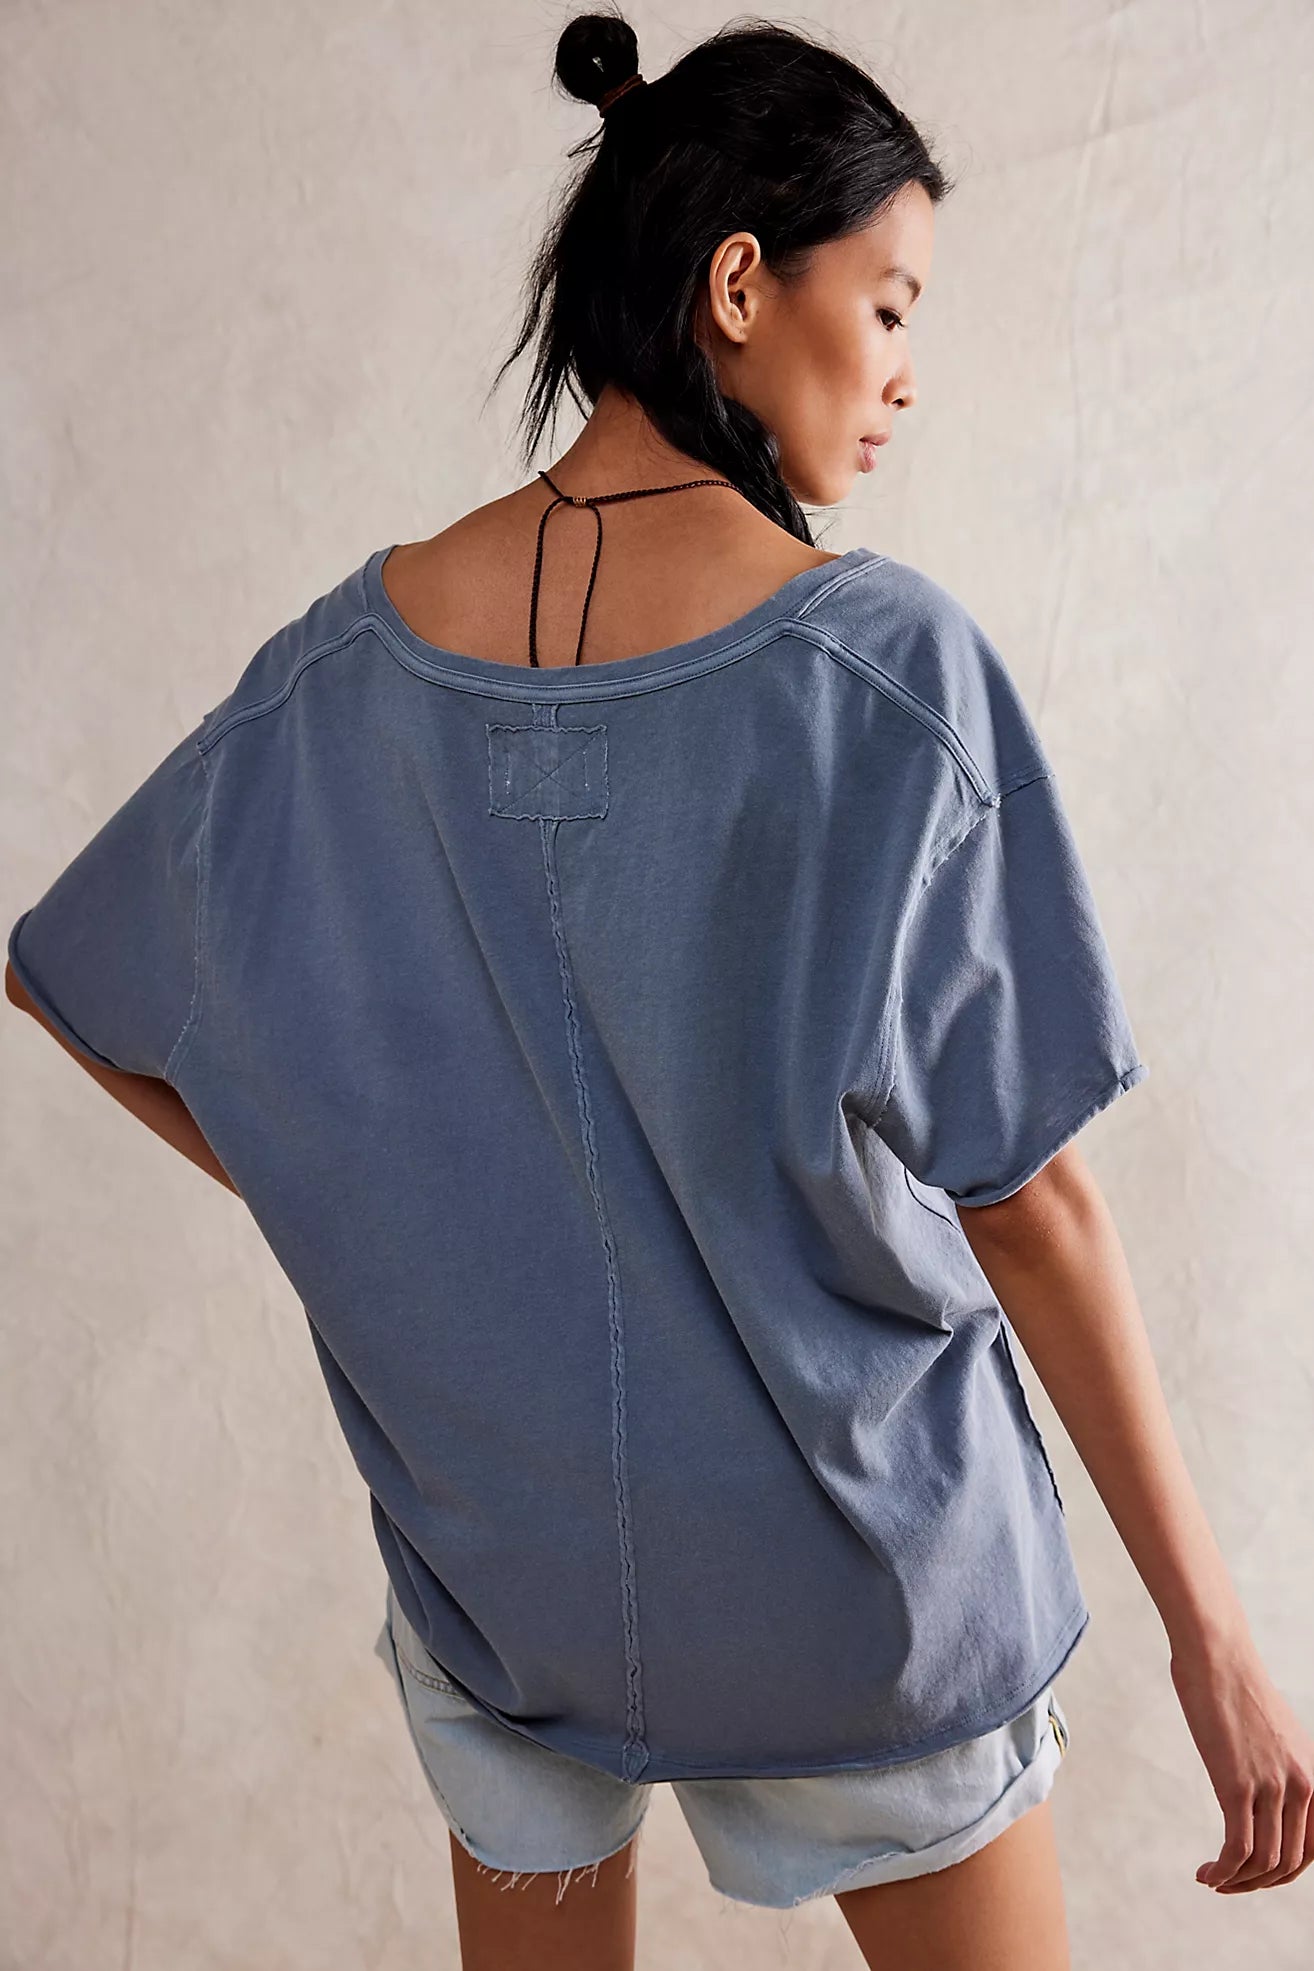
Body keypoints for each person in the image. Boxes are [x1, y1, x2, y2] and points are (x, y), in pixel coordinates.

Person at [7, 11, 1312, 1969]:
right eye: (889, 305)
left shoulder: (343, 673)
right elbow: (1028, 1197)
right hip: (853, 1577)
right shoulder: (880, 671)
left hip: (509, 1574)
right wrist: (1217, 1641)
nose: (906, 373)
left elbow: (78, 982)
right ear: (738, 284)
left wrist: (395, 1212)